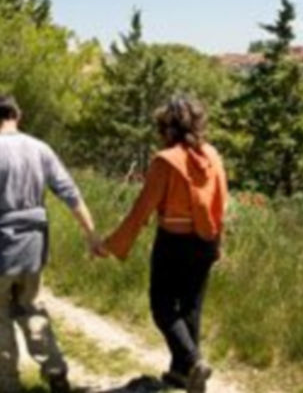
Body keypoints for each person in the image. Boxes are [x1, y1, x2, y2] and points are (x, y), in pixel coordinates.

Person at [0, 95, 98, 393]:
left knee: (0, 316)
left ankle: (8, 383)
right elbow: (70, 193)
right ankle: (55, 368)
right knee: (31, 306)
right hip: (34, 245)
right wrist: (90, 233)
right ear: (17, 115)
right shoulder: (40, 149)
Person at [92, 98, 228, 393]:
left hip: (174, 242)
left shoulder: (166, 161)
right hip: (206, 240)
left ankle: (192, 363)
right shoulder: (213, 155)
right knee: (191, 307)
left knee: (162, 306)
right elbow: (221, 203)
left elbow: (141, 211)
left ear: (168, 128)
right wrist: (218, 243)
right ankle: (181, 375)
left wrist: (109, 245)